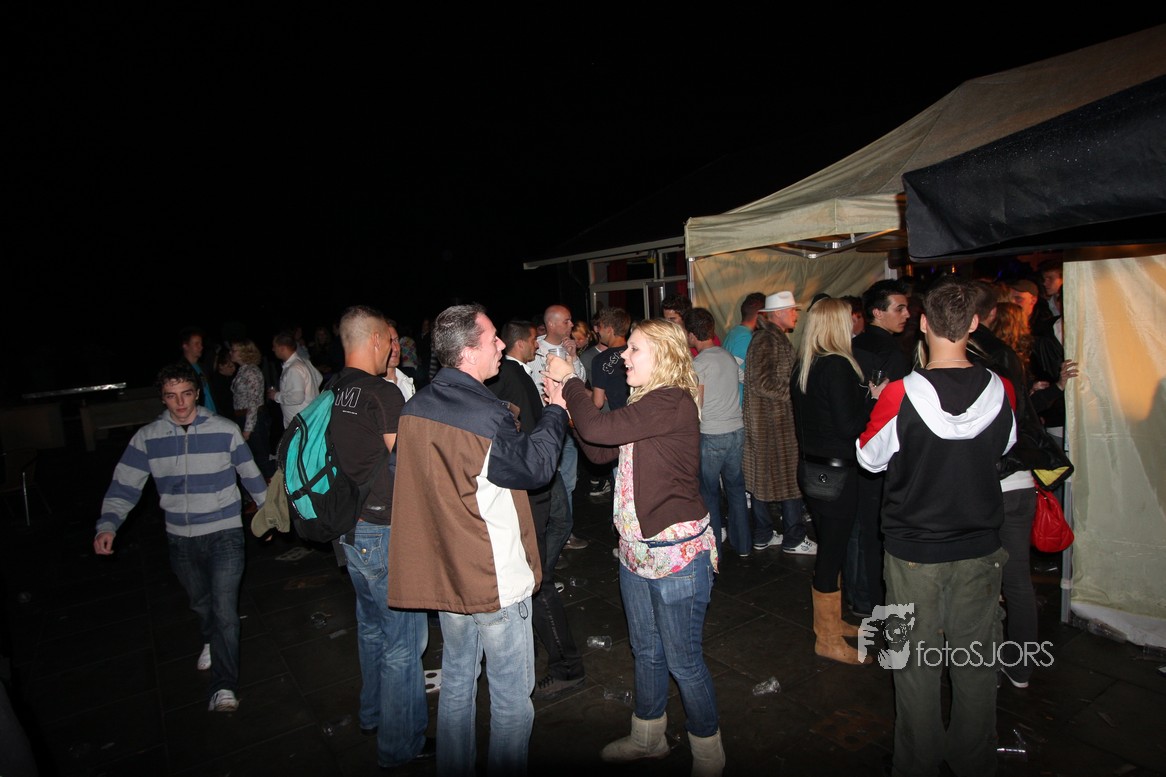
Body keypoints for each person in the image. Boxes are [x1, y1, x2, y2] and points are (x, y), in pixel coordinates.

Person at [388, 303, 569, 777]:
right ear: (468, 352)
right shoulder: (486, 416)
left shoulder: (414, 408)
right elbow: (536, 468)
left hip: (448, 576)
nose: (502, 345)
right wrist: (557, 408)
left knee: (458, 685)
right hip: (494, 581)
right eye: (493, 339)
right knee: (511, 699)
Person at [545, 318, 726, 777]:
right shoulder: (645, 401)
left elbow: (600, 429)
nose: (624, 356)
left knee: (684, 661)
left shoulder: (672, 400)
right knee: (645, 650)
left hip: (676, 556)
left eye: (635, 349)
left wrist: (570, 382)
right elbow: (599, 449)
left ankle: (709, 755)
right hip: (636, 553)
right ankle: (648, 738)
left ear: (662, 355)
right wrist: (569, 411)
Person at [857, 276, 1017, 776]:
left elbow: (869, 457)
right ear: (974, 324)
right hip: (979, 545)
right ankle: (974, 761)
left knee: (911, 664)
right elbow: (1006, 446)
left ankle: (917, 762)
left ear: (924, 324)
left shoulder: (900, 393)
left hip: (912, 550)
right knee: (976, 661)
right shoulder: (1002, 390)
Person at [94, 362, 267, 713]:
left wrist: (271, 515)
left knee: (225, 610)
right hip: (180, 537)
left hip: (225, 532)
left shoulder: (224, 430)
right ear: (163, 398)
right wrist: (108, 524)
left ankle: (223, 686)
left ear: (197, 393)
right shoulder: (148, 437)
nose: (181, 403)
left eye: (186, 394)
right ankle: (210, 638)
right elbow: (125, 484)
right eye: (172, 396)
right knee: (201, 603)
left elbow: (250, 474)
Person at [329, 305, 433, 770]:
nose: (394, 347)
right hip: (385, 530)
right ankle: (400, 745)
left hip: (349, 530)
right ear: (374, 340)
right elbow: (410, 467)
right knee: (404, 644)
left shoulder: (332, 389)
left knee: (371, 628)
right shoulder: (382, 393)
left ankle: (372, 714)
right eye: (389, 340)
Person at [486, 319, 585, 700]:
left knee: (538, 582)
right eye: (532, 340)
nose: (536, 346)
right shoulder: (510, 376)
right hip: (532, 485)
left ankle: (567, 667)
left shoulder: (508, 376)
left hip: (529, 488)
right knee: (537, 574)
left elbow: (525, 433)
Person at [790, 297, 881, 664]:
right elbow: (848, 426)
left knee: (832, 547)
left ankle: (831, 622)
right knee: (832, 551)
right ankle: (826, 638)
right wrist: (872, 399)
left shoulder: (805, 364)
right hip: (837, 474)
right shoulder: (837, 365)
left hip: (813, 469)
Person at [847, 278, 914, 618]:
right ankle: (870, 598)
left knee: (858, 528)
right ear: (877, 312)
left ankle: (857, 596)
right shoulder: (890, 353)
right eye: (899, 308)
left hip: (855, 446)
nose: (906, 314)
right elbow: (895, 413)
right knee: (872, 529)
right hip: (879, 452)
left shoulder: (853, 346)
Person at [743, 291, 817, 556]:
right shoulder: (767, 339)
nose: (796, 315)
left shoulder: (770, 337)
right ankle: (793, 537)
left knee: (765, 481)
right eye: (792, 310)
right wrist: (795, 392)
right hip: (774, 426)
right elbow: (762, 383)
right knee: (787, 481)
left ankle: (763, 534)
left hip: (771, 424)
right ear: (777, 313)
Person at [684, 307, 748, 559]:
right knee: (736, 489)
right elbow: (743, 379)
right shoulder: (727, 356)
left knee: (709, 493)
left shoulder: (698, 364)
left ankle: (714, 551)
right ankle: (743, 546)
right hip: (736, 431)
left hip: (711, 434)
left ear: (691, 335)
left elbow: (696, 405)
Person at [229, 339, 275, 480]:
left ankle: (272, 488)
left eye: (234, 350)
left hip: (253, 420)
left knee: (261, 458)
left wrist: (248, 429)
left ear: (244, 352)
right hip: (244, 417)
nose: (230, 353)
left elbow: (253, 403)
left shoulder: (252, 372)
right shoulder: (243, 370)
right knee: (254, 458)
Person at [268, 330, 322, 430]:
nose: (273, 349)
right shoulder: (304, 361)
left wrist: (276, 395)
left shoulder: (294, 368)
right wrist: (309, 391)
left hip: (300, 424)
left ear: (282, 348)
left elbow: (297, 398)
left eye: (274, 346)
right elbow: (319, 378)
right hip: (308, 418)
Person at [721, 291, 766, 406]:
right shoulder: (745, 337)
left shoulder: (734, 332)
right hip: (740, 403)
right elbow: (735, 369)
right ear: (760, 314)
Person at [180, 326, 217, 414]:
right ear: (185, 346)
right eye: (196, 344)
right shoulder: (182, 370)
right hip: (198, 415)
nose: (201, 347)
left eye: (201, 344)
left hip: (212, 414)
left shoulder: (203, 367)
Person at [380, 318, 416, 402]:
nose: (395, 348)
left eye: (396, 340)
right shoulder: (371, 386)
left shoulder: (407, 381)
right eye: (389, 341)